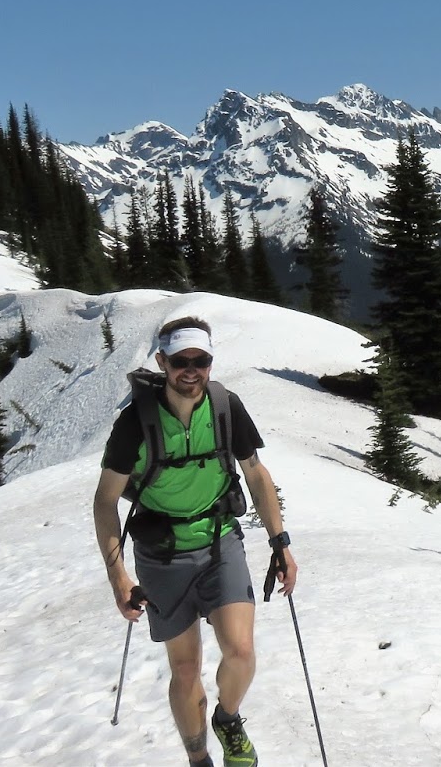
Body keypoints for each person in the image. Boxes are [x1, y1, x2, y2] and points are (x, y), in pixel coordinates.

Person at [94, 317, 297, 767]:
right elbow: (106, 501)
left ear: (210, 361)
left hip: (220, 540)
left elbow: (256, 475)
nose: (191, 370)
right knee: (185, 670)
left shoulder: (226, 407)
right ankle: (199, 759)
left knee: (241, 652)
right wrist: (119, 578)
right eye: (181, 361)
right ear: (162, 362)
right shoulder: (135, 424)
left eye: (200, 360)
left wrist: (279, 542)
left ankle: (227, 719)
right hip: (161, 554)